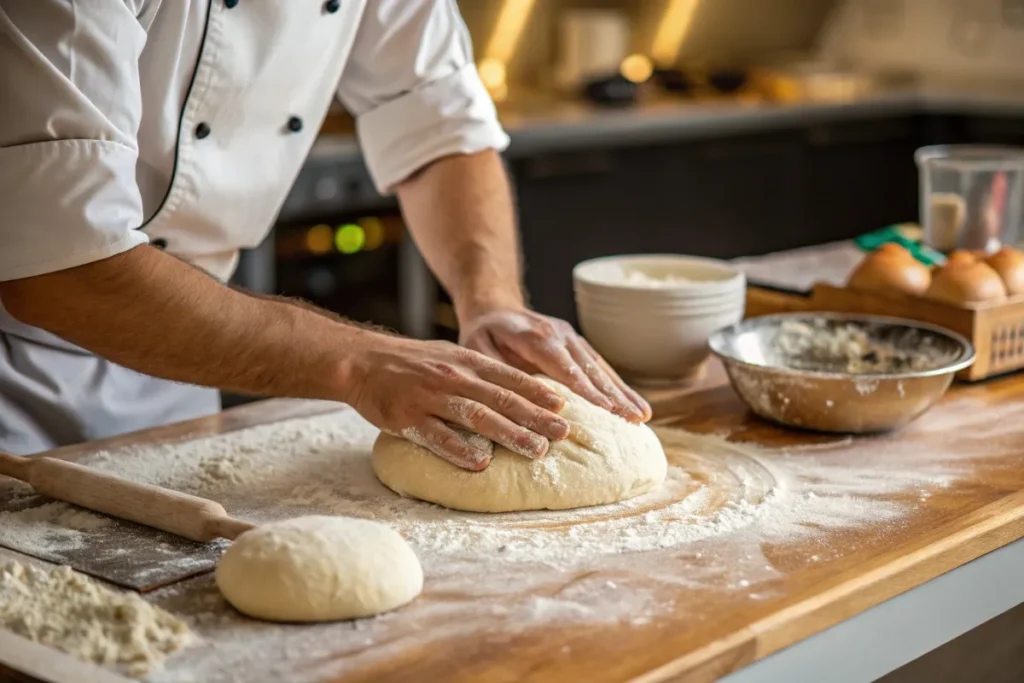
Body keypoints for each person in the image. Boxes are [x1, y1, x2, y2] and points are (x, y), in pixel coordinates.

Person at [0, 0, 650, 468]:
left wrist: (492, 299)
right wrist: (360, 362)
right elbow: (60, 265)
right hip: (13, 386)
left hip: (176, 371)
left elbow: (440, 119)